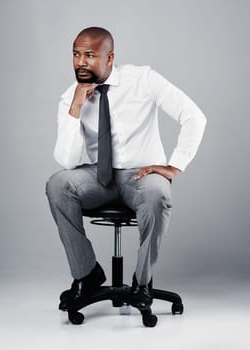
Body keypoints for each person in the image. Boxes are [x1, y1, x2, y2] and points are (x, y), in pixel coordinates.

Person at [46, 27, 206, 308]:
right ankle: (87, 274)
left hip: (141, 176)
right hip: (99, 177)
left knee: (158, 192)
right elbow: (68, 161)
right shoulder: (71, 96)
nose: (81, 62)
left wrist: (175, 165)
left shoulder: (143, 79)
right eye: (76, 54)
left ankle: (142, 283)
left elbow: (193, 116)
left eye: (90, 55)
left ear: (110, 57)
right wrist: (75, 109)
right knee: (58, 184)